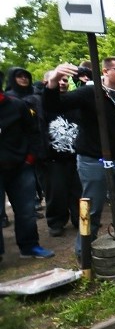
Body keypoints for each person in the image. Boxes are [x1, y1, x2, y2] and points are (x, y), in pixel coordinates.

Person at [44, 58, 115, 258]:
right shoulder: (89, 93)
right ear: (105, 71)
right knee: (92, 208)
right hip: (93, 160)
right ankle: (84, 256)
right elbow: (54, 106)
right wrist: (54, 80)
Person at [0, 71, 54, 260]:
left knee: (26, 211)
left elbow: (33, 131)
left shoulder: (15, 105)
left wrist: (30, 158)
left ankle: (30, 246)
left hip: (20, 167)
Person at [40, 70, 82, 237]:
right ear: (47, 82)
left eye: (65, 80)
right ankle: (56, 222)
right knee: (56, 192)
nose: (62, 82)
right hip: (52, 158)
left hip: (76, 155)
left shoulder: (74, 102)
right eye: (58, 79)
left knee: (78, 191)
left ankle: (80, 218)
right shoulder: (39, 102)